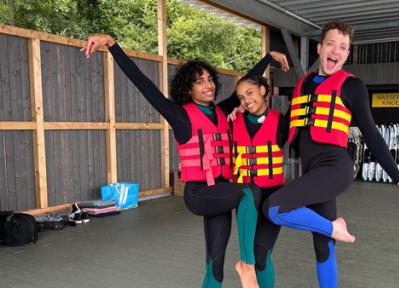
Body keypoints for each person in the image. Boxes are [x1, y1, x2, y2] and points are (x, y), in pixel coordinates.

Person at [81, 34, 288, 288]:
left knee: (215, 265)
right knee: (248, 193)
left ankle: (233, 271)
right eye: (200, 82)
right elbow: (144, 85)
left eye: (210, 79)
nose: (208, 85)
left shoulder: (222, 111)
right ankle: (247, 265)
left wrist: (267, 58)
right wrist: (113, 45)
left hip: (222, 190)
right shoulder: (180, 116)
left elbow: (248, 84)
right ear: (188, 89)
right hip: (200, 192)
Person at [261, 21, 399, 287]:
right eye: (331, 44)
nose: (336, 51)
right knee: (322, 246)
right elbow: (283, 130)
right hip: (313, 171)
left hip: (335, 168)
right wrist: (251, 115)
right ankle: (332, 232)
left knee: (274, 208)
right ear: (319, 48)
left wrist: (398, 177)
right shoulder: (304, 85)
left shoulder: (352, 86)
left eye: (343, 47)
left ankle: (335, 228)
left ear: (347, 54)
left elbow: (371, 133)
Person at [229, 75, 289, 287]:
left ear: (263, 90)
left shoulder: (282, 121)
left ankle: (250, 269)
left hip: (273, 197)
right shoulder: (233, 121)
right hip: (246, 197)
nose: (246, 100)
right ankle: (246, 265)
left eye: (250, 93)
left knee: (263, 255)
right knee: (252, 255)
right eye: (240, 97)